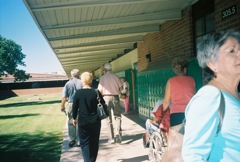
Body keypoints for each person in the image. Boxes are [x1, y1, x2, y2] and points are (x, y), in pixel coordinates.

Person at [182, 30, 240, 161]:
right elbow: (193, 156)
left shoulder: (235, 94)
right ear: (212, 64)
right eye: (232, 51)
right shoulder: (210, 97)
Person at [72, 72, 104, 162]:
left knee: (85, 143)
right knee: (94, 142)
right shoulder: (96, 92)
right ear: (91, 80)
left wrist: (74, 118)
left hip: (83, 122)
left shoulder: (78, 93)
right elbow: (103, 104)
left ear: (82, 81)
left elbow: (75, 107)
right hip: (95, 122)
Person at [162, 57, 196, 127]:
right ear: (185, 69)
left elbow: (166, 101)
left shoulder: (171, 81)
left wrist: (162, 112)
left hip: (176, 114)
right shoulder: (192, 80)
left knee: (177, 136)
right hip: (191, 113)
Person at [98, 63, 123, 144]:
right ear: (111, 69)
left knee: (108, 118)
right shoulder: (115, 76)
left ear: (104, 69)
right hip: (115, 97)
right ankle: (118, 134)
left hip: (106, 98)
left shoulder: (102, 78)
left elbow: (100, 91)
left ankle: (111, 138)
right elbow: (121, 87)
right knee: (117, 116)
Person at [61, 69, 83, 147]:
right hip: (81, 104)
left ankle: (72, 139)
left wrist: (62, 106)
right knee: (80, 121)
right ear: (79, 74)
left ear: (71, 75)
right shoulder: (82, 82)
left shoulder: (68, 83)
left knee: (71, 122)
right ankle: (79, 140)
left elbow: (64, 96)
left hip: (71, 104)